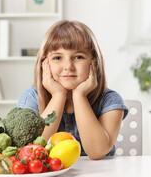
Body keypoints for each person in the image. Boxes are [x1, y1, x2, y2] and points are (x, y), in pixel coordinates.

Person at [17, 20, 128, 160]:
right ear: (45, 64)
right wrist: (58, 95)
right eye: (57, 57)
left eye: (78, 57)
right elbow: (31, 152)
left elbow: (97, 151)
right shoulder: (31, 97)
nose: (68, 66)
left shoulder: (110, 100)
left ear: (93, 62)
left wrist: (80, 96)